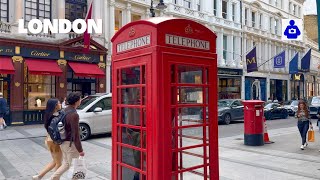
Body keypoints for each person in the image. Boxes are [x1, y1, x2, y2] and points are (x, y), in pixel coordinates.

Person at [50, 92, 84, 180]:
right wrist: (80, 150)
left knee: (66, 164)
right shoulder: (74, 115)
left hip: (63, 142)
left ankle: (53, 178)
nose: (80, 100)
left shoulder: (64, 110)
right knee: (74, 166)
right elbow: (76, 134)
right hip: (70, 144)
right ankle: (53, 178)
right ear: (76, 101)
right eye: (80, 99)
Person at [32, 98, 62, 180]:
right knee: (59, 164)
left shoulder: (48, 115)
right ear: (55, 106)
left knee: (55, 161)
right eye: (59, 103)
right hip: (54, 141)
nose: (61, 104)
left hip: (48, 139)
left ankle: (39, 176)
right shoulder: (55, 117)